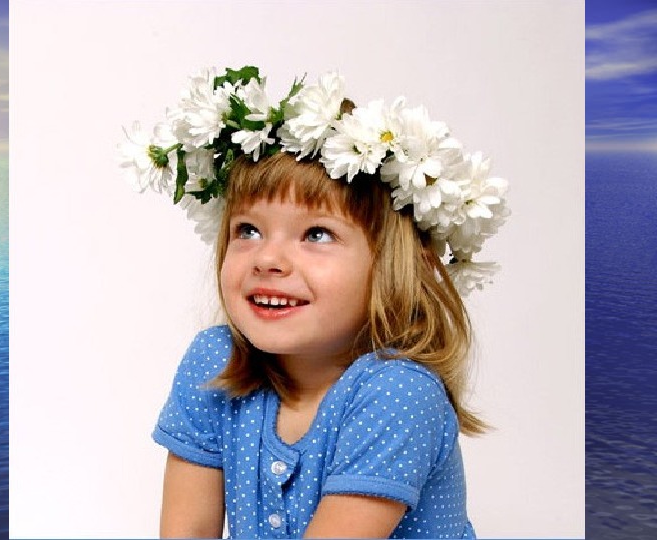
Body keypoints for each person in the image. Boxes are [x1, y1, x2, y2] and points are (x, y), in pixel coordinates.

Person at [118, 66, 509, 538]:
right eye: (248, 230)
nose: (267, 259)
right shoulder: (214, 363)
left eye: (317, 234)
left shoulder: (398, 392)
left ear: (395, 266)